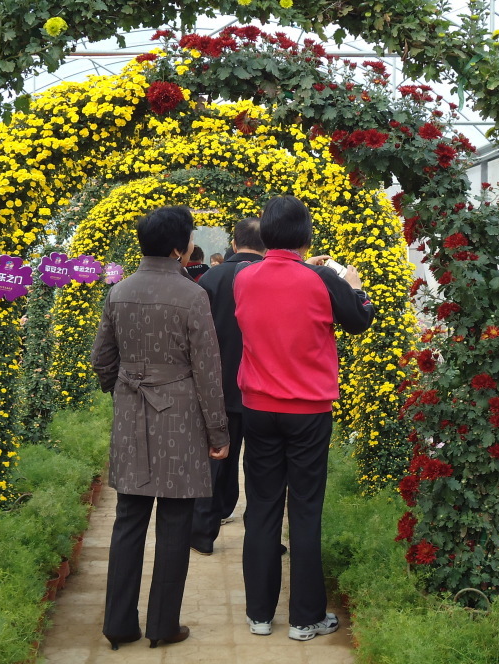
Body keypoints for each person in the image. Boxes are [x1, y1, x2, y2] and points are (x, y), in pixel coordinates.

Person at [234, 195, 375, 642]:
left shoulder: (244, 278)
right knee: (306, 510)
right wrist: (352, 285)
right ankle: (305, 618)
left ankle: (259, 614)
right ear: (307, 235)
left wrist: (304, 267)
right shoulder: (322, 280)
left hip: (257, 408)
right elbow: (358, 321)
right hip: (309, 411)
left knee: (262, 508)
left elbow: (277, 284)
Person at [91, 206, 230, 650]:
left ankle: (118, 625)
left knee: (129, 518)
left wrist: (123, 388)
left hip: (133, 411)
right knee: (174, 520)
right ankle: (162, 625)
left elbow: (102, 358)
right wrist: (219, 433)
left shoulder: (119, 293)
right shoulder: (192, 296)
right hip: (181, 418)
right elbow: (208, 372)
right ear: (179, 247)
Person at [190, 217, 265, 555]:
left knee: (215, 462)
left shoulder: (211, 279)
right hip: (264, 387)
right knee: (264, 470)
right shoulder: (274, 279)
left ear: (234, 244)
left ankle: (204, 534)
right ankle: (263, 540)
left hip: (219, 385)